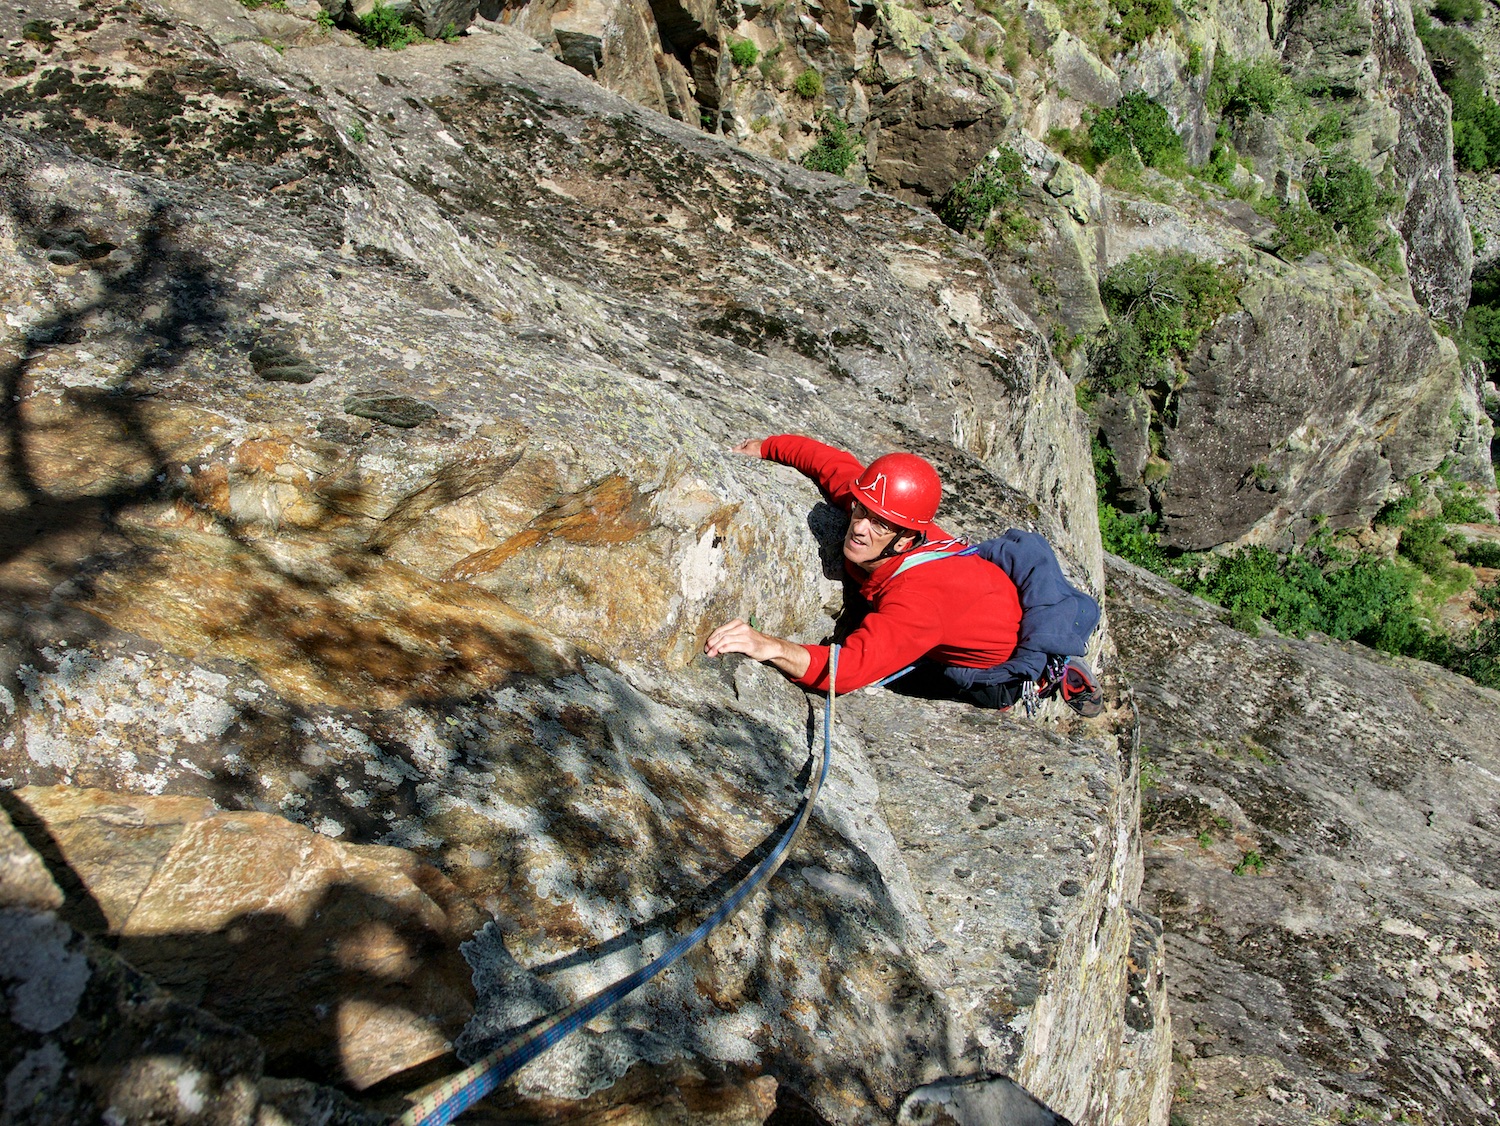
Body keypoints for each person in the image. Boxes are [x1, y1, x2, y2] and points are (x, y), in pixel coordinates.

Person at [704, 435, 1104, 714]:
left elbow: (849, 671)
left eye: (878, 524)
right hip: (977, 599)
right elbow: (833, 465)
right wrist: (769, 447)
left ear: (905, 538)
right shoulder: (888, 512)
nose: (860, 527)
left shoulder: (917, 603)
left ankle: (1043, 676)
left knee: (893, 680)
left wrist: (769, 646)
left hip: (986, 669)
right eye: (861, 511)